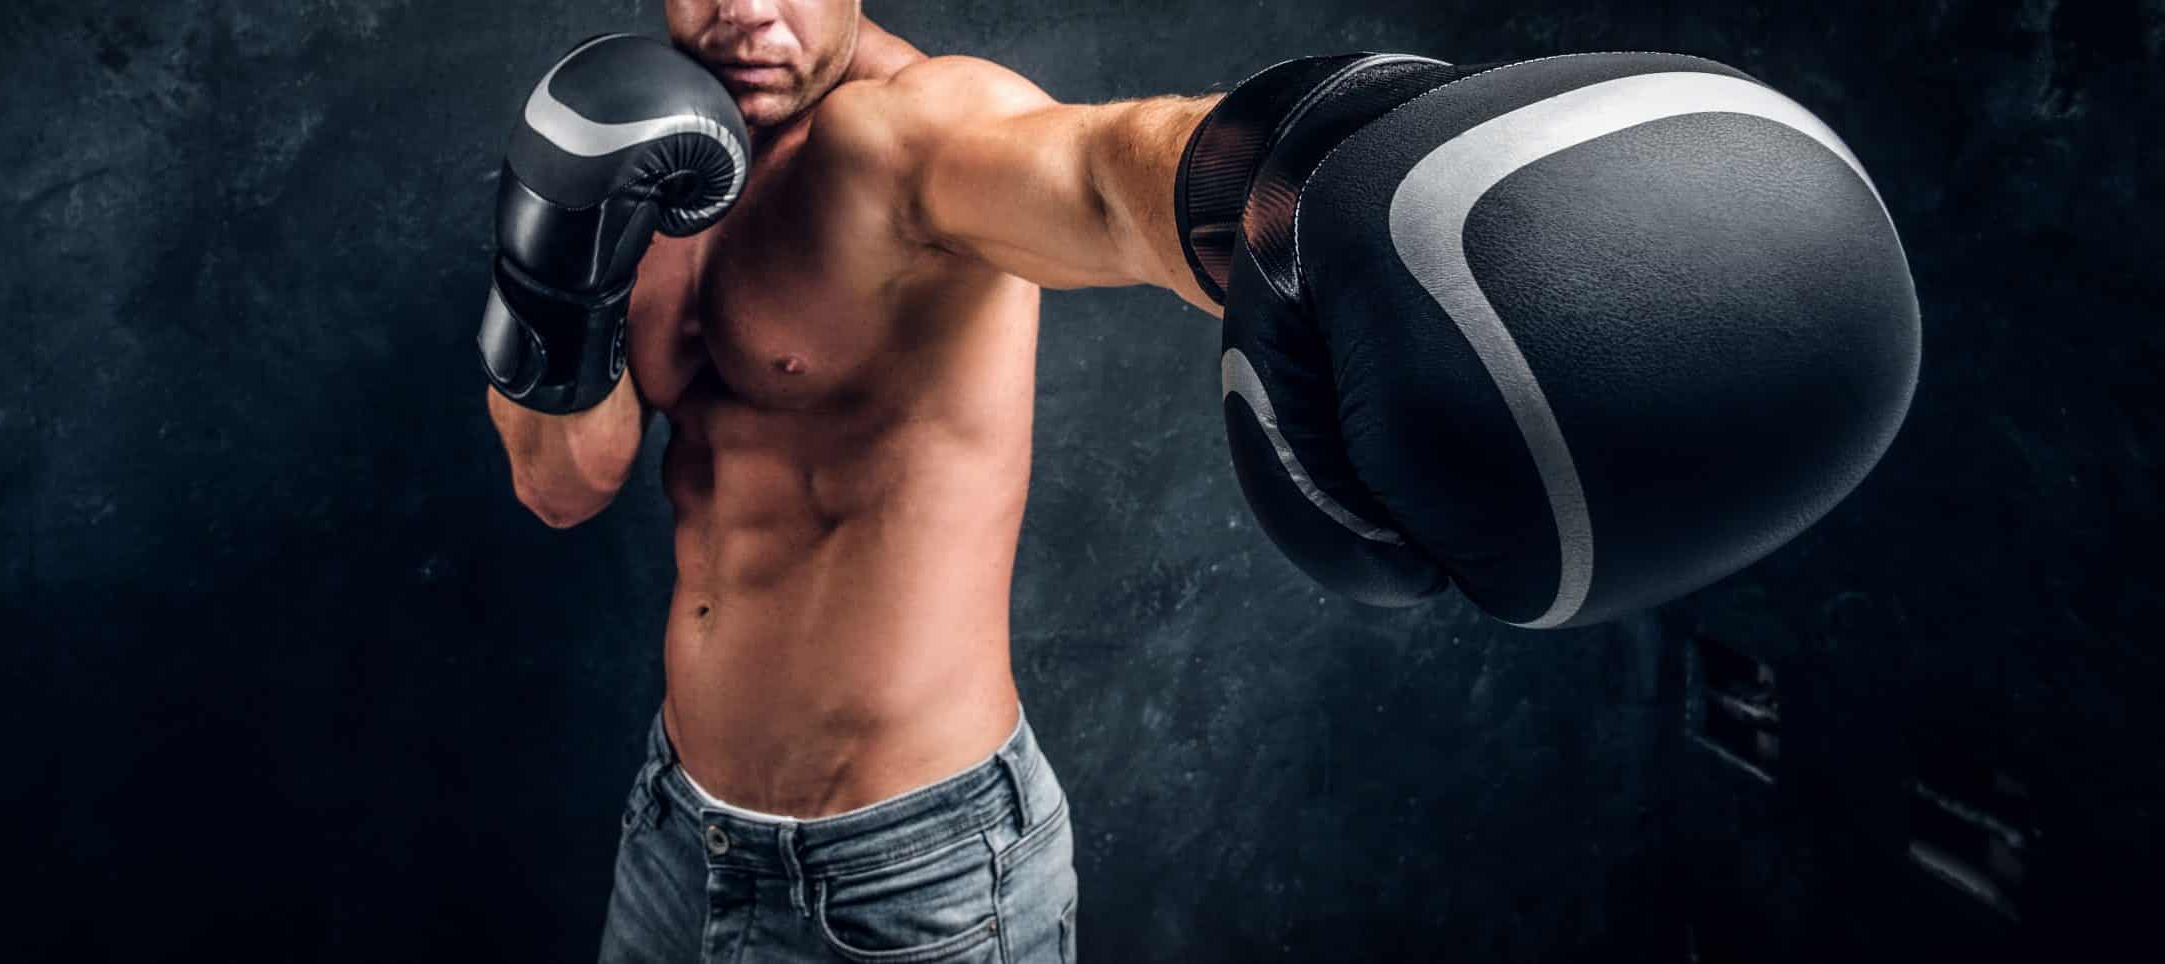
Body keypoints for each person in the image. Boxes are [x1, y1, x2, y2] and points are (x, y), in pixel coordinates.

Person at [476, 1, 1917, 960]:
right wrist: (555, 265)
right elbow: (562, 481)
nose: (749, 10)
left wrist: (1322, 168)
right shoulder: (634, 147)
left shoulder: (912, 140)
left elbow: (1107, 171)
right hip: (677, 831)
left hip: (907, 884)